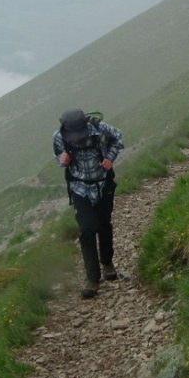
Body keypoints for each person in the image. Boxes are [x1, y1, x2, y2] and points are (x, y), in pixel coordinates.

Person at [53, 109, 124, 299]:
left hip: (103, 185)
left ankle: (107, 262)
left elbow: (119, 138)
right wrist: (62, 160)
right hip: (79, 188)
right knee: (86, 229)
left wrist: (110, 158)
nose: (76, 140)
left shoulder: (101, 129)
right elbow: (57, 158)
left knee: (104, 225)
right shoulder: (59, 137)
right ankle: (92, 278)